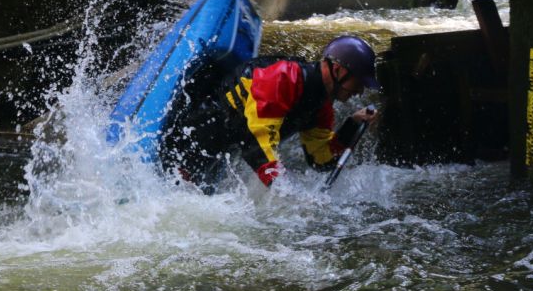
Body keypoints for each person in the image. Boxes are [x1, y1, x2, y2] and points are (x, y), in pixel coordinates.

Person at [161, 35, 380, 191]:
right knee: (176, 190)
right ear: (339, 70)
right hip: (193, 136)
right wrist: (285, 194)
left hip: (223, 150)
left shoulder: (321, 106)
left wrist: (352, 125)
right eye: (358, 82)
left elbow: (320, 160)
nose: (360, 91)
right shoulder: (283, 78)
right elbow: (255, 143)